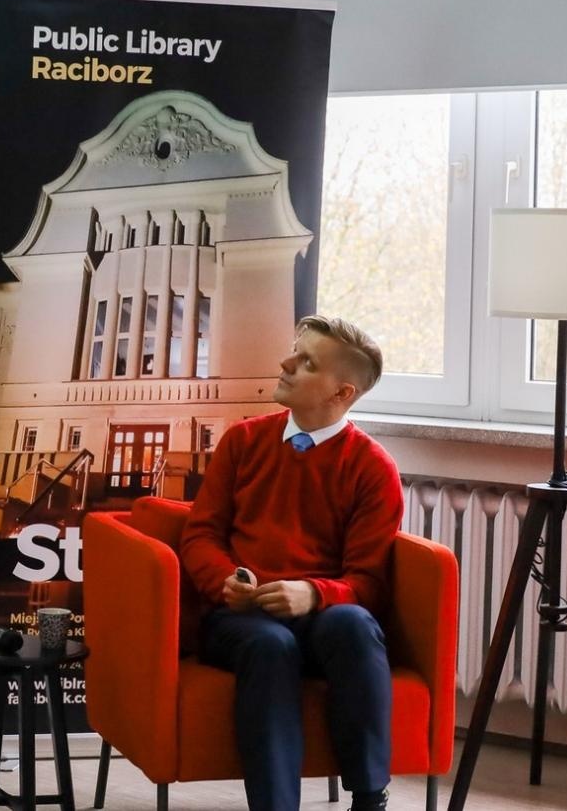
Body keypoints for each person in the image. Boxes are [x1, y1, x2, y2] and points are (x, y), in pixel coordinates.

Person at [179, 315, 403, 811]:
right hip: (240, 620)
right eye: (294, 352)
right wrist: (224, 582)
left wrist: (314, 593)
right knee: (270, 644)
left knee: (354, 624)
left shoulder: (372, 467)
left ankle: (370, 799)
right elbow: (200, 535)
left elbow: (367, 582)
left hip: (321, 617)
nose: (285, 364)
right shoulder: (242, 442)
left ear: (341, 393)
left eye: (306, 362)